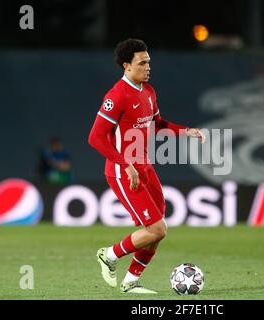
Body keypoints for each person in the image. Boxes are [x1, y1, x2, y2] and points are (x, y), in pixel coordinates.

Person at [88, 39, 205, 294]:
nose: (148, 67)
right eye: (142, 63)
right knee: (156, 228)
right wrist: (125, 164)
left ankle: (131, 281)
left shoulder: (149, 91)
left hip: (145, 167)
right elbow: (95, 138)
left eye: (149, 61)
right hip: (122, 171)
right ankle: (109, 255)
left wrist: (187, 131)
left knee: (158, 229)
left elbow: (158, 124)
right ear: (127, 66)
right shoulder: (116, 95)